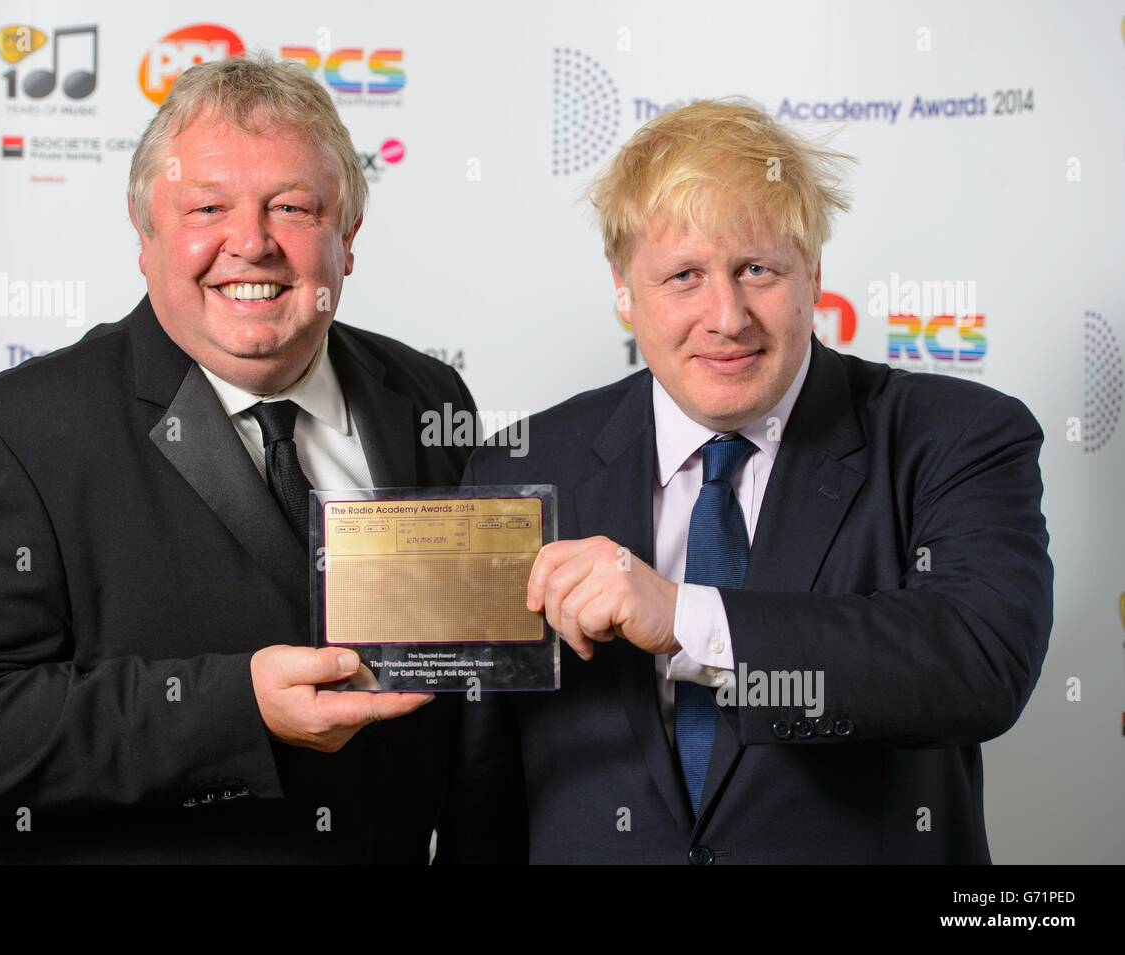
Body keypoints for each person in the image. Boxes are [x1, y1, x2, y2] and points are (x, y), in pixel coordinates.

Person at [0, 53, 475, 863]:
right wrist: (238, 709)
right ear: (146, 235)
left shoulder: (426, 394)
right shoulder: (11, 434)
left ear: (348, 236)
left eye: (293, 207)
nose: (251, 243)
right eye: (206, 207)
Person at [438, 99, 1053, 864]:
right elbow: (485, 794)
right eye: (684, 275)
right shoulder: (520, 468)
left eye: (757, 269)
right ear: (624, 288)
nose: (726, 316)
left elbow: (978, 662)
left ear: (814, 275)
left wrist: (685, 618)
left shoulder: (951, 436)